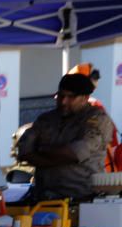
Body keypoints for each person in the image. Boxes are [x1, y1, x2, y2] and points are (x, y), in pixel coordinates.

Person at [15, 72, 114, 201]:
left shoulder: (97, 119)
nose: (63, 101)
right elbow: (24, 152)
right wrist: (58, 157)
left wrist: (41, 150)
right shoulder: (46, 119)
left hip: (82, 197)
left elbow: (74, 154)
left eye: (71, 97)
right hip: (44, 197)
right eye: (60, 95)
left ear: (85, 97)